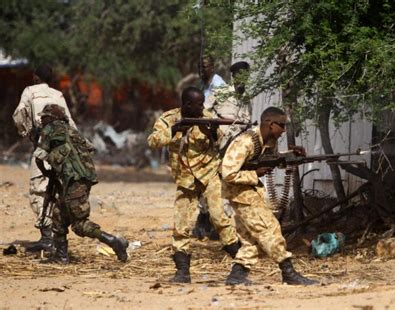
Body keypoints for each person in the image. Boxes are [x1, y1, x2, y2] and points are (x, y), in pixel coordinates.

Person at [147, 86, 240, 283]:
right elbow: (153, 141)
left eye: (202, 104)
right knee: (181, 225)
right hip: (185, 178)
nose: (201, 108)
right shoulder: (169, 118)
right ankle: (182, 271)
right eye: (198, 104)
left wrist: (211, 132)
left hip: (209, 174)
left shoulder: (207, 117)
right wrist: (175, 130)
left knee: (219, 218)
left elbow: (219, 142)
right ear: (187, 104)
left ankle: (242, 266)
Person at [221, 106, 317, 285]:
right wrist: (254, 174)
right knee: (269, 228)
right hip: (240, 192)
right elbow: (227, 173)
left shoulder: (268, 141)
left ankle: (237, 275)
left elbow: (270, 160)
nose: (284, 130)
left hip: (249, 191)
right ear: (270, 124)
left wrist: (290, 156)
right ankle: (288, 272)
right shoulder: (246, 142)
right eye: (282, 125)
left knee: (251, 237)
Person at [33, 104, 129, 264]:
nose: (42, 120)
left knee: (79, 223)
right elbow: (89, 147)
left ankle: (114, 242)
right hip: (85, 178)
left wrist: (48, 172)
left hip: (73, 180)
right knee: (58, 215)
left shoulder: (50, 129)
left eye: (44, 117)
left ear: (51, 117)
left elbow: (39, 157)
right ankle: (61, 256)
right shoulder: (71, 130)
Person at [12, 64, 77, 251]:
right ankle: (59, 239)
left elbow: (18, 115)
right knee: (57, 192)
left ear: (35, 77)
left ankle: (47, 237)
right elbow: (70, 122)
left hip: (43, 148)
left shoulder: (29, 91)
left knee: (38, 190)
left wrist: (27, 132)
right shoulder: (58, 95)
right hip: (63, 151)